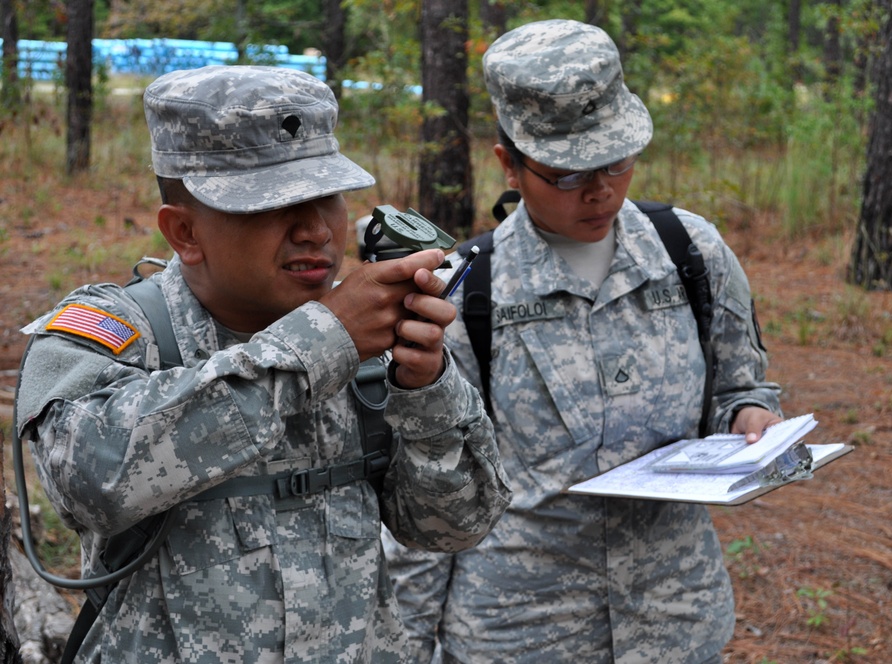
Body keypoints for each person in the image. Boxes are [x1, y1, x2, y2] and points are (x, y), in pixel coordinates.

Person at [15, 65, 510, 663]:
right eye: (269, 206)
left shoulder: (367, 342)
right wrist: (318, 347)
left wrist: (422, 385)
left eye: (325, 197)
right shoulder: (117, 331)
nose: (315, 230)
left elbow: (454, 525)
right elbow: (91, 482)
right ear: (184, 233)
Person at [382, 19, 783, 663]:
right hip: (522, 630)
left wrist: (750, 418)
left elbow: (741, 387)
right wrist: (407, 647)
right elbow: (429, 501)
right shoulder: (462, 293)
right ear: (509, 164)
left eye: (617, 161)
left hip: (672, 619)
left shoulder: (690, 252)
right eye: (567, 174)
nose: (599, 190)